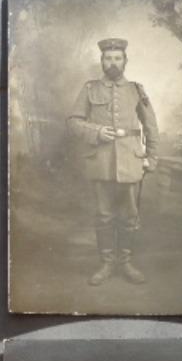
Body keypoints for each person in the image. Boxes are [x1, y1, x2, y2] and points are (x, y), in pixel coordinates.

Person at [68, 38, 159, 286]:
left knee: (129, 216)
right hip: (101, 162)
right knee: (104, 216)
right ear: (102, 61)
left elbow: (151, 127)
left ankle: (126, 262)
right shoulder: (89, 89)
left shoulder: (136, 90)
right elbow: (74, 122)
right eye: (108, 58)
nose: (113, 63)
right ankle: (106, 264)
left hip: (131, 161)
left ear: (125, 61)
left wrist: (152, 157)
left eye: (117, 58)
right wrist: (96, 132)